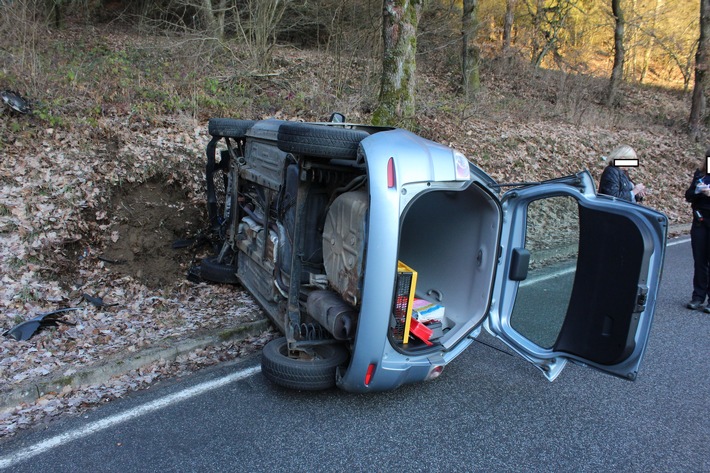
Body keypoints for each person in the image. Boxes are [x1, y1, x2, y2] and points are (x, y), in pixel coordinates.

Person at [685, 148, 710, 310]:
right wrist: (697, 190)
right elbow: (688, 196)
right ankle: (698, 297)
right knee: (700, 261)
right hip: (700, 221)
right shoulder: (700, 174)